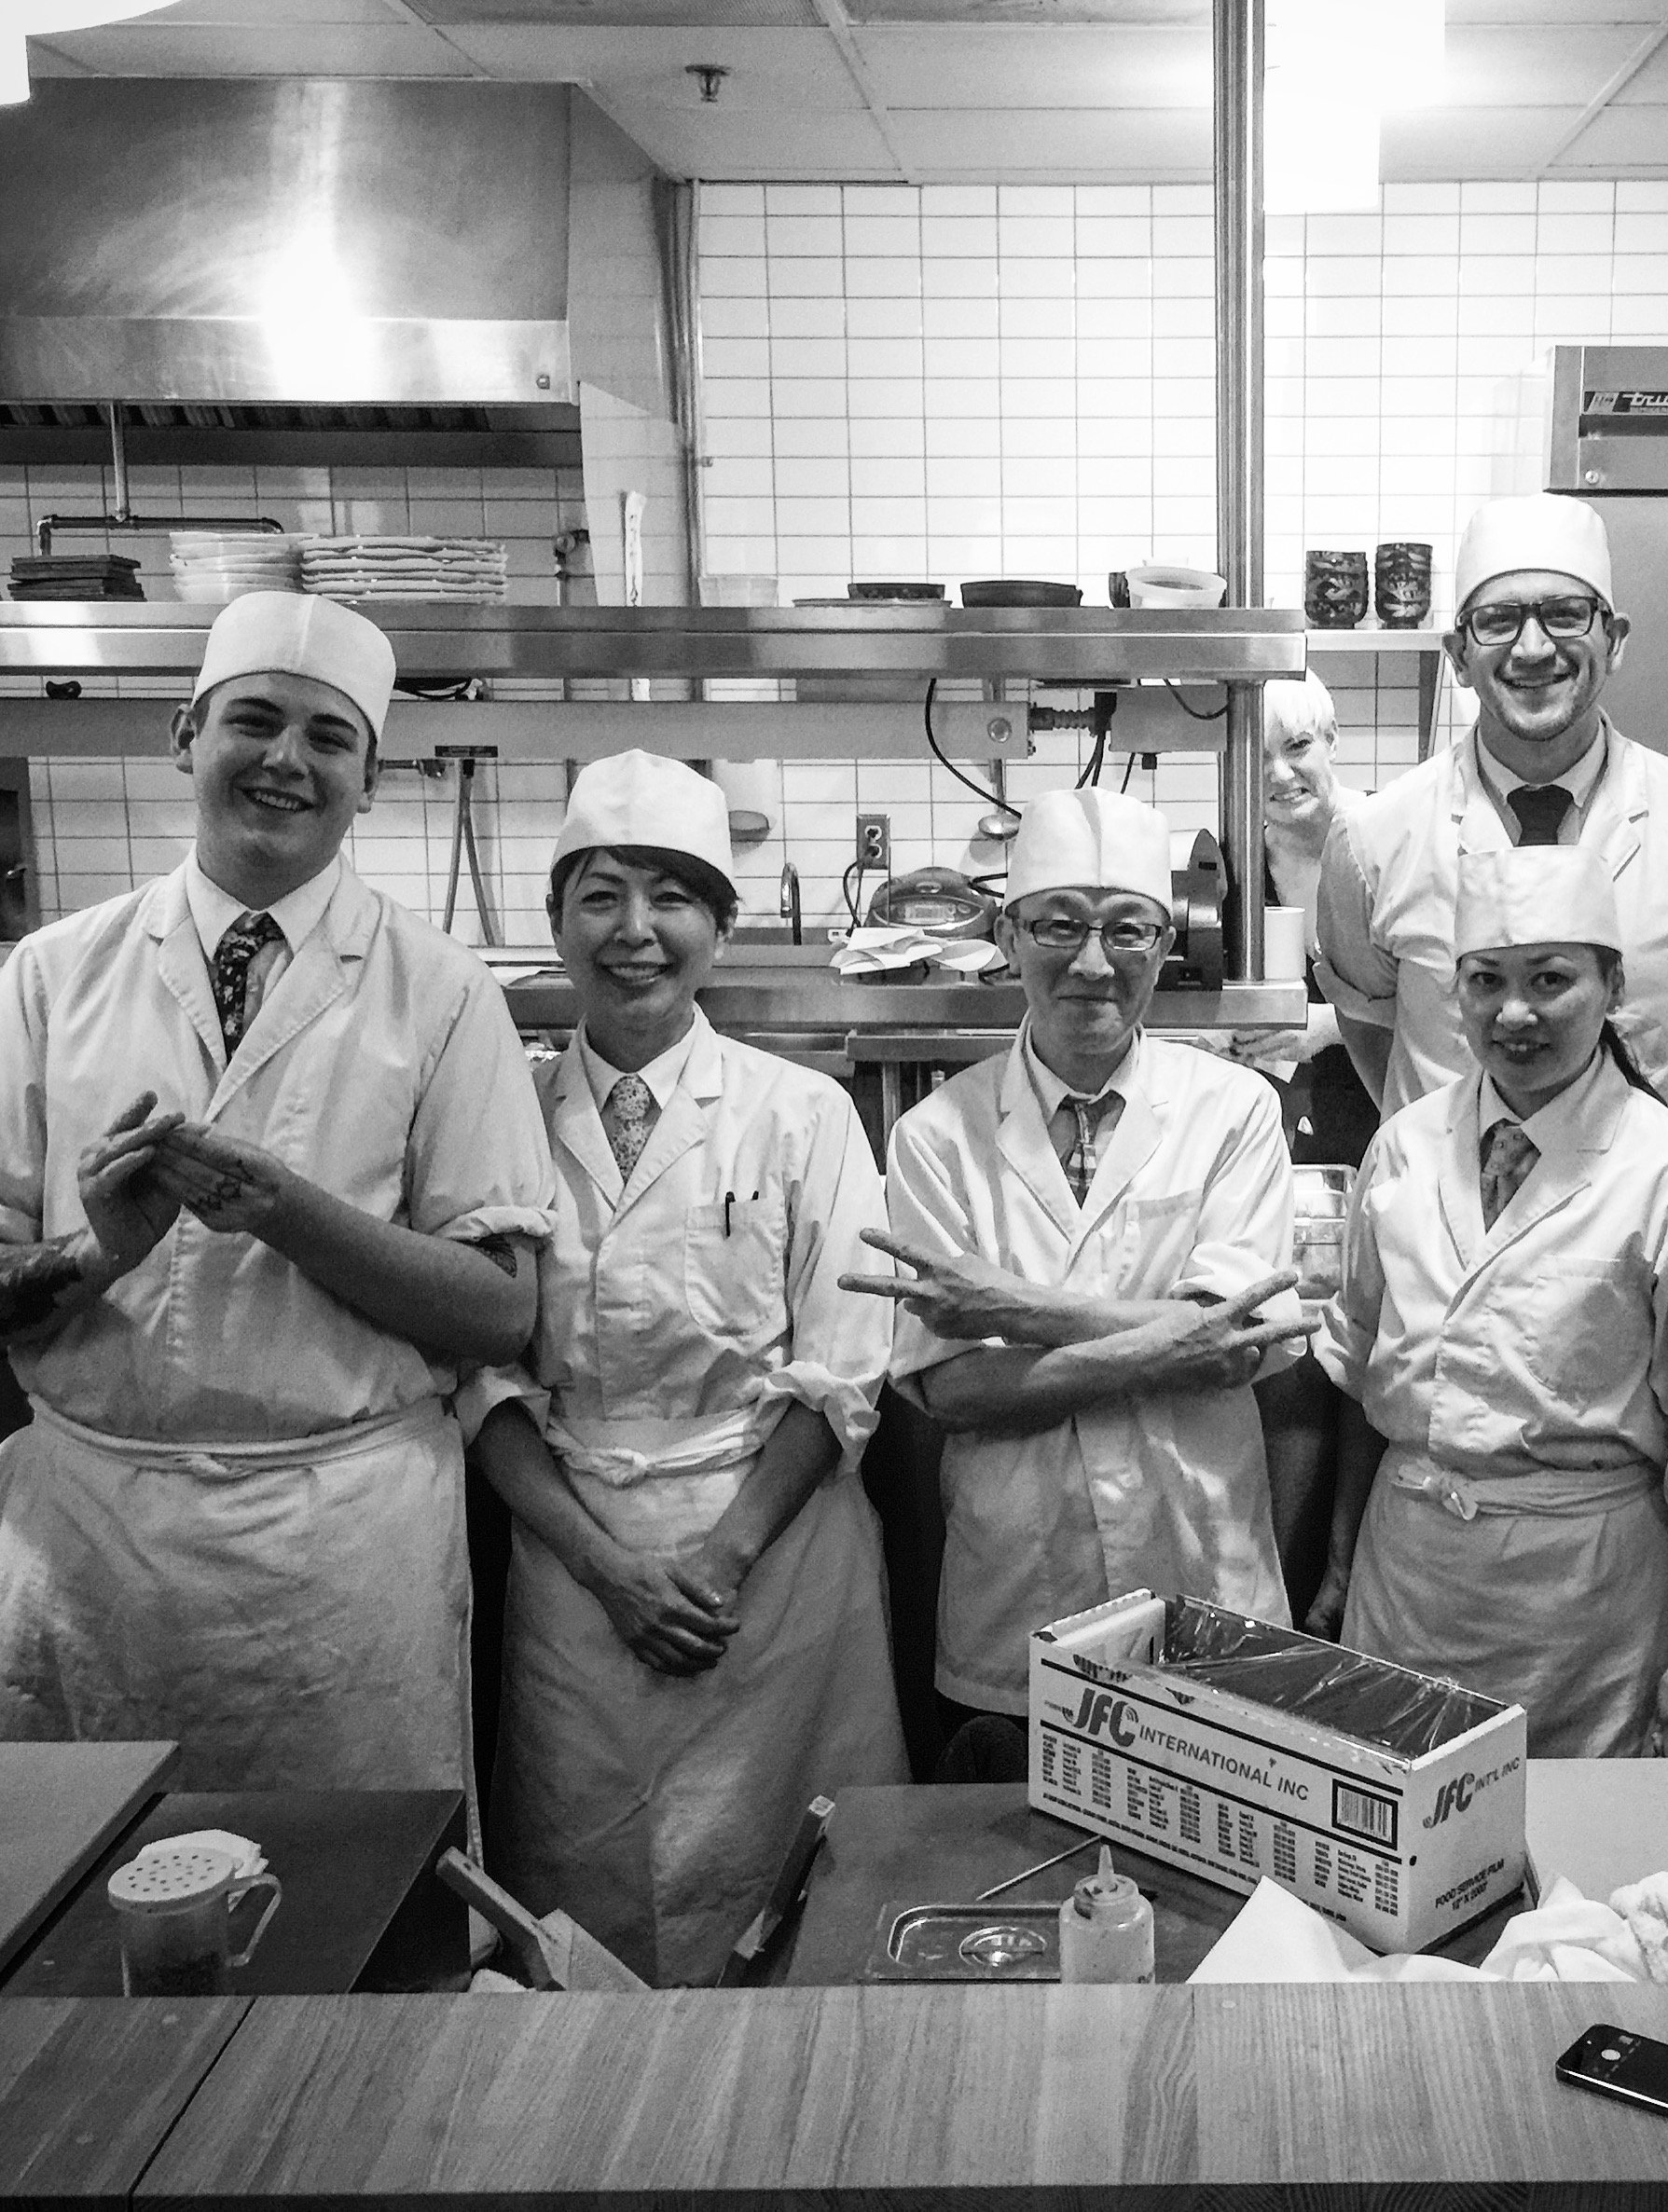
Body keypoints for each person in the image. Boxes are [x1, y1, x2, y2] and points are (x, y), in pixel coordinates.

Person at [0, 591, 556, 1793]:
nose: (285, 761)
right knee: (89, 1936)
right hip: (92, 1540)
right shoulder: (50, 977)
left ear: (369, 777)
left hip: (341, 1556)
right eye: (254, 720)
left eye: (329, 738)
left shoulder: (446, 994)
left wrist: (287, 1212)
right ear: (183, 735)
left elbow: (500, 1313)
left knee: (361, 1923)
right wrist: (97, 1253)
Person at [468, 752, 904, 1984]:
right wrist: (611, 1571)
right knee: (584, 1897)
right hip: (575, 1557)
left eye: (672, 898)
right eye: (600, 896)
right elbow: (479, 1376)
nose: (636, 932)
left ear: (722, 925)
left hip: (774, 1555)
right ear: (555, 923)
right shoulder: (502, 1112)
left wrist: (718, 1558)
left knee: (799, 1901)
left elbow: (846, 1362)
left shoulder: (801, 1110)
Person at [847, 787, 1310, 1728]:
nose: (1094, 965)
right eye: (1060, 927)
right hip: (1023, 1578)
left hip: (1202, 1563)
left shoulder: (1234, 1111)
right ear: (1008, 939)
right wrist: (1173, 1342)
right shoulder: (939, 1136)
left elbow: (1238, 1346)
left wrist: (1010, 1309)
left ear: (1165, 948)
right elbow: (955, 1390)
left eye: (1129, 932)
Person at [1311, 845, 1668, 1758]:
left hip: (1587, 1612)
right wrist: (1337, 1570)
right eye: (1486, 980)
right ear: (1455, 992)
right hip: (1409, 1585)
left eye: (1552, 979)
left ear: (1612, 986)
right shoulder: (1407, 1148)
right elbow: (1363, 1376)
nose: (1516, 1012)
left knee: (1579, 1875)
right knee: (1404, 1864)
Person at [1316, 490, 1668, 1125]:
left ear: (1614, 640)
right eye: (1498, 620)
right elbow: (1371, 1031)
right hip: (1452, 1214)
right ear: (1458, 654)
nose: (1533, 648)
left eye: (1565, 615)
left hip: (1650, 1219)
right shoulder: (1372, 839)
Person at [1220, 670, 1380, 1168]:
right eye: (1259, 755)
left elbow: (1446, 995)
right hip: (1281, 1133)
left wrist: (1334, 1025)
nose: (1280, 774)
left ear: (1332, 741)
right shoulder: (1237, 868)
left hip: (1389, 1108)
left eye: (1296, 747)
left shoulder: (1390, 840)